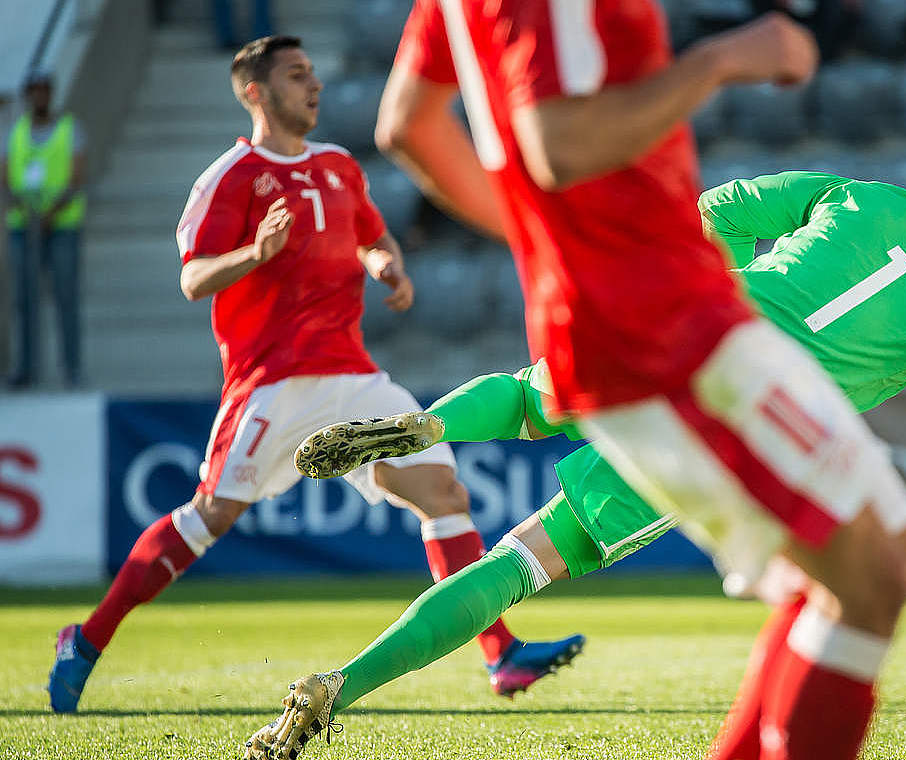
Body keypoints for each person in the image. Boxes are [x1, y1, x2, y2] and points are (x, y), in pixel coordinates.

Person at [244, 138, 906, 759]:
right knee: (523, 563)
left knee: (533, 400)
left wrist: (724, 286)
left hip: (690, 329)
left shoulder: (857, 193)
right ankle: (337, 686)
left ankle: (433, 424)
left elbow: (714, 212)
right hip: (742, 419)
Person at [43, 36, 583, 716]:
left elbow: (372, 236)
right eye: (295, 76)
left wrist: (385, 263)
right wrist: (255, 251)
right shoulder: (229, 177)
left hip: (353, 376)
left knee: (444, 492)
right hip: (273, 381)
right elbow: (192, 279)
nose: (314, 85)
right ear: (254, 92)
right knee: (209, 518)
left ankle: (500, 654)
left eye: (312, 73)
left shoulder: (338, 167)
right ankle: (84, 641)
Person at [3, 71, 86, 388]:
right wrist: (26, 210)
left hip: (61, 225)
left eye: (45, 90)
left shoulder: (69, 129)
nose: (40, 96)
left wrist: (50, 213)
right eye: (34, 91)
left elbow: (77, 176)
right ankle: (26, 368)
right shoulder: (16, 132)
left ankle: (72, 368)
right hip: (24, 227)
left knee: (66, 296)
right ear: (27, 95)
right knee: (24, 300)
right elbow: (6, 176)